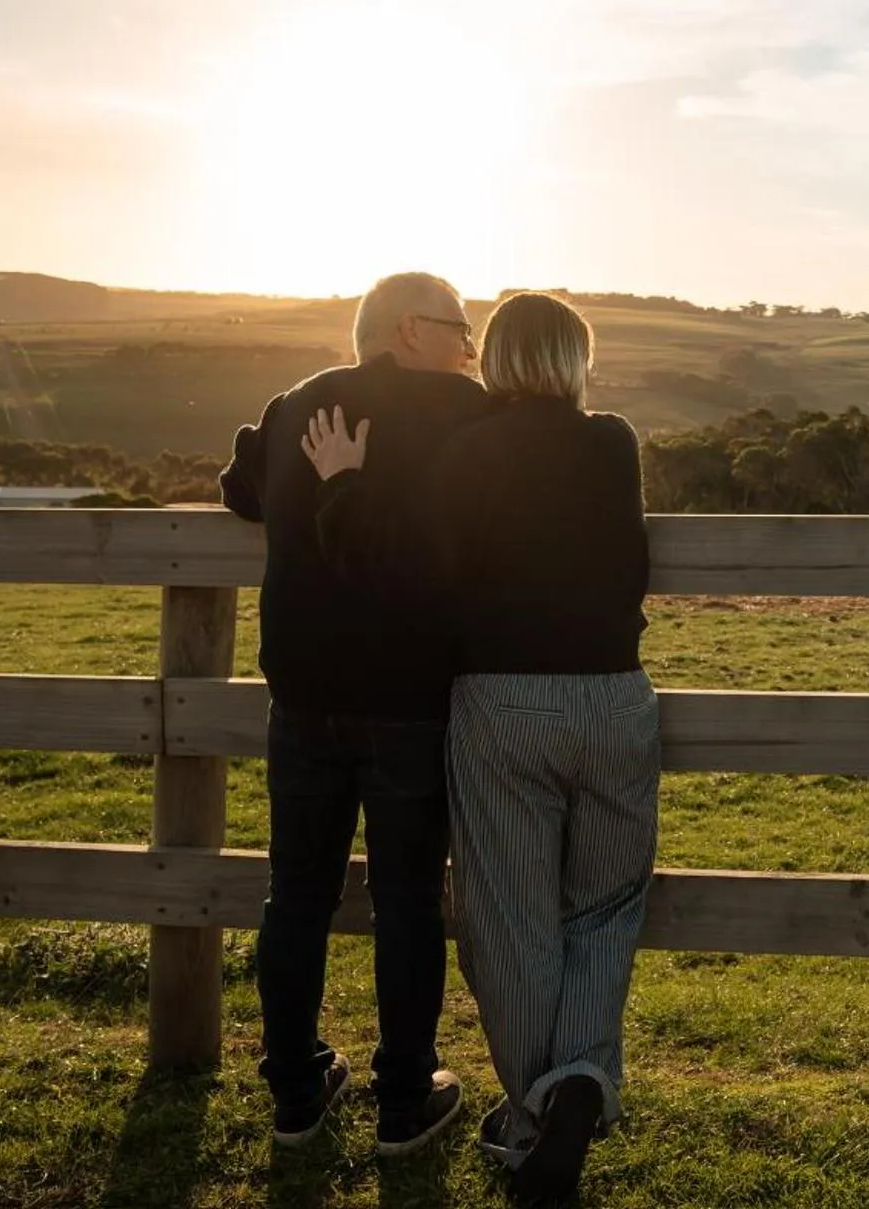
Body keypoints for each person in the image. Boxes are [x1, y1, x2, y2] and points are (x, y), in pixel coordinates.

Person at [301, 291, 655, 1207]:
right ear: (576, 362)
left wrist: (341, 483)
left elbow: (403, 568)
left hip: (503, 705)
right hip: (616, 701)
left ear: (493, 359)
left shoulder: (473, 452)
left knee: (508, 917)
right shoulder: (614, 441)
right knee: (607, 908)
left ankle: (541, 1112)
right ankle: (576, 1083)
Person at [219, 271, 495, 1153]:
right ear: (410, 329)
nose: (470, 348)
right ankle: (405, 1102)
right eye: (462, 330)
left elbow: (240, 492)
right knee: (409, 899)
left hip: (301, 695)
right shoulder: (463, 411)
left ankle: (296, 1094)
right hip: (413, 698)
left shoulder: (297, 402)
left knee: (294, 894)